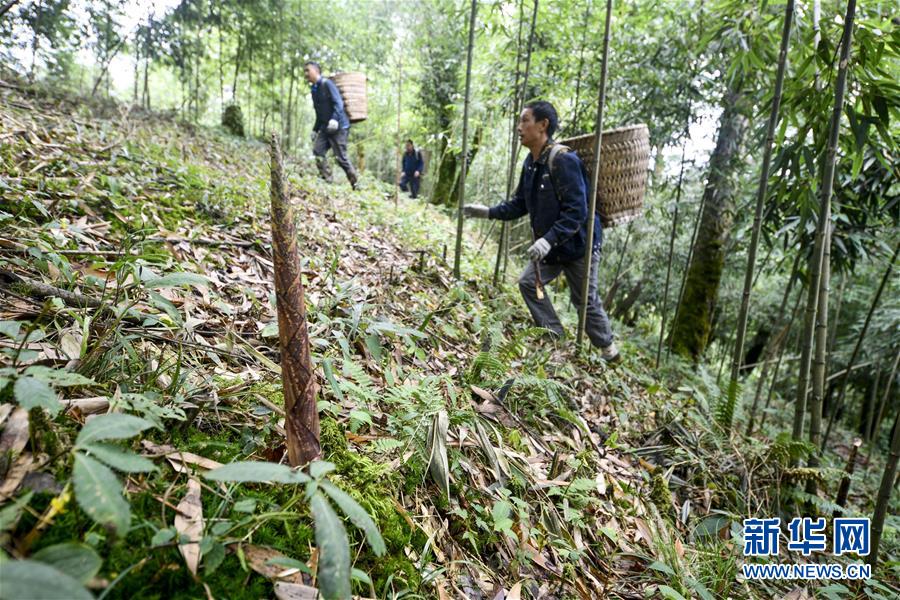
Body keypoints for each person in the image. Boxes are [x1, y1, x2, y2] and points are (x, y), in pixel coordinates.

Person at [463, 101, 619, 362]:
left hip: (580, 245)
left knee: (584, 301)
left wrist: (548, 240)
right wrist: (487, 212)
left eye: (525, 120)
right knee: (527, 283)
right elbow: (520, 204)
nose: (519, 127)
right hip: (551, 247)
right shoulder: (531, 163)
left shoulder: (564, 160)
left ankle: (609, 351)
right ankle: (554, 336)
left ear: (543, 125)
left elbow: (577, 212)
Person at [303, 61, 358, 189]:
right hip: (325, 128)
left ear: (316, 71)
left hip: (339, 126)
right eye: (304, 71)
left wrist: (334, 119)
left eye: (308, 70)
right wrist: (315, 130)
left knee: (341, 158)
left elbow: (338, 103)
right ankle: (327, 180)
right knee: (318, 151)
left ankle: (355, 183)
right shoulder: (314, 90)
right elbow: (319, 112)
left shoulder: (327, 84)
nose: (306, 74)